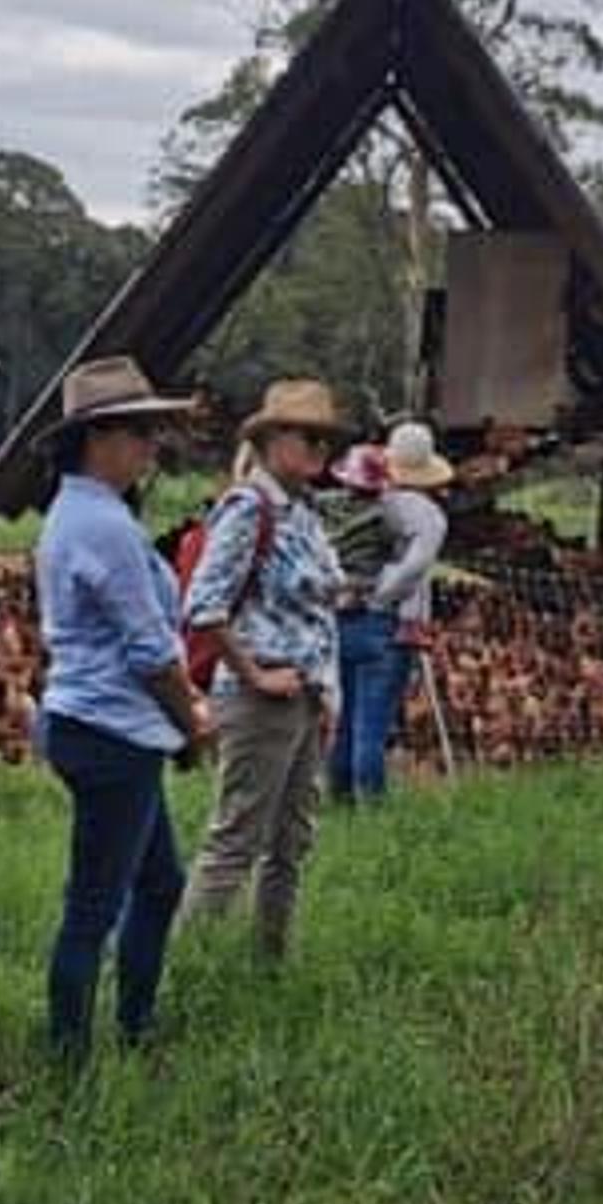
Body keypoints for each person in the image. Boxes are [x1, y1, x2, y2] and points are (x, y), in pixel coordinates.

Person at [34, 357, 211, 1061]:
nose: (150, 447)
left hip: (96, 721)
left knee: (159, 882)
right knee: (93, 907)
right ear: (97, 437)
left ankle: (135, 1027)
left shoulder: (81, 513)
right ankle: (71, 1057)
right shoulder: (103, 524)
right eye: (140, 432)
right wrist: (190, 723)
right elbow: (150, 650)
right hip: (114, 730)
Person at [182, 380, 352, 961]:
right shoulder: (248, 508)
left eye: (326, 440)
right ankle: (188, 964)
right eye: (308, 436)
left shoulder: (304, 510)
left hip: (304, 695)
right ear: (272, 439)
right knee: (237, 838)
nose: (319, 449)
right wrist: (254, 673)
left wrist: (323, 688)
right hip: (264, 698)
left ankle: (270, 960)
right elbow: (204, 604)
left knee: (291, 841)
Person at [328, 419, 455, 802]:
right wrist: (383, 596)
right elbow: (414, 567)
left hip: (344, 616)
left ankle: (341, 799)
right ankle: (372, 803)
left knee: (345, 716)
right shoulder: (428, 516)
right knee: (373, 722)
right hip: (386, 624)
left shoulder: (365, 503)